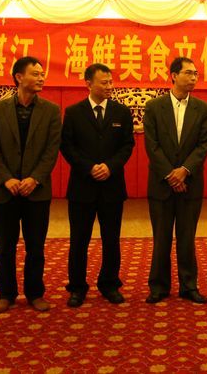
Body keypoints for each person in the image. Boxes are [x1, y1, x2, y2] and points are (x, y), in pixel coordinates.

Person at [0, 56, 61, 313]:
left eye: (42, 74)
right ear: (19, 77)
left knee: (35, 247)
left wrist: (35, 178)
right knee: (4, 247)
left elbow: (51, 150)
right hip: (4, 191)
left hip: (36, 191)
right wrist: (6, 178)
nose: (41, 78)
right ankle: (6, 294)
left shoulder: (51, 111)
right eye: (35, 74)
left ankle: (35, 293)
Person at [60, 63, 135, 307]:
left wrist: (110, 166)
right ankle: (77, 287)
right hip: (82, 186)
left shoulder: (121, 112)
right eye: (104, 82)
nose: (109, 86)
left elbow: (127, 145)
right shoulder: (74, 112)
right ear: (88, 84)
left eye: (111, 82)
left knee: (111, 239)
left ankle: (109, 284)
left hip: (112, 186)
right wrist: (89, 167)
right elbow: (67, 146)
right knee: (79, 240)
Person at [143, 57, 207, 304]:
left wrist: (184, 170)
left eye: (196, 74)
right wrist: (171, 175)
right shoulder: (154, 107)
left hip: (190, 184)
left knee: (186, 238)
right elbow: (152, 145)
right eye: (188, 73)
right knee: (161, 239)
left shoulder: (202, 108)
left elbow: (204, 143)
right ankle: (158, 286)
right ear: (173, 75)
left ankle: (189, 286)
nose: (193, 78)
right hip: (161, 184)